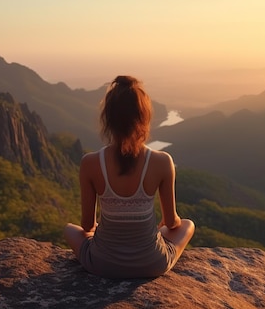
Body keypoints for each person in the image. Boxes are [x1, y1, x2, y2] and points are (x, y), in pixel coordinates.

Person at [64, 75, 195, 278]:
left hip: (101, 264)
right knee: (188, 225)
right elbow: (172, 223)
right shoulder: (162, 161)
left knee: (69, 230)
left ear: (108, 119)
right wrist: (165, 224)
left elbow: (87, 226)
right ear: (144, 118)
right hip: (152, 263)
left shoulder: (90, 163)